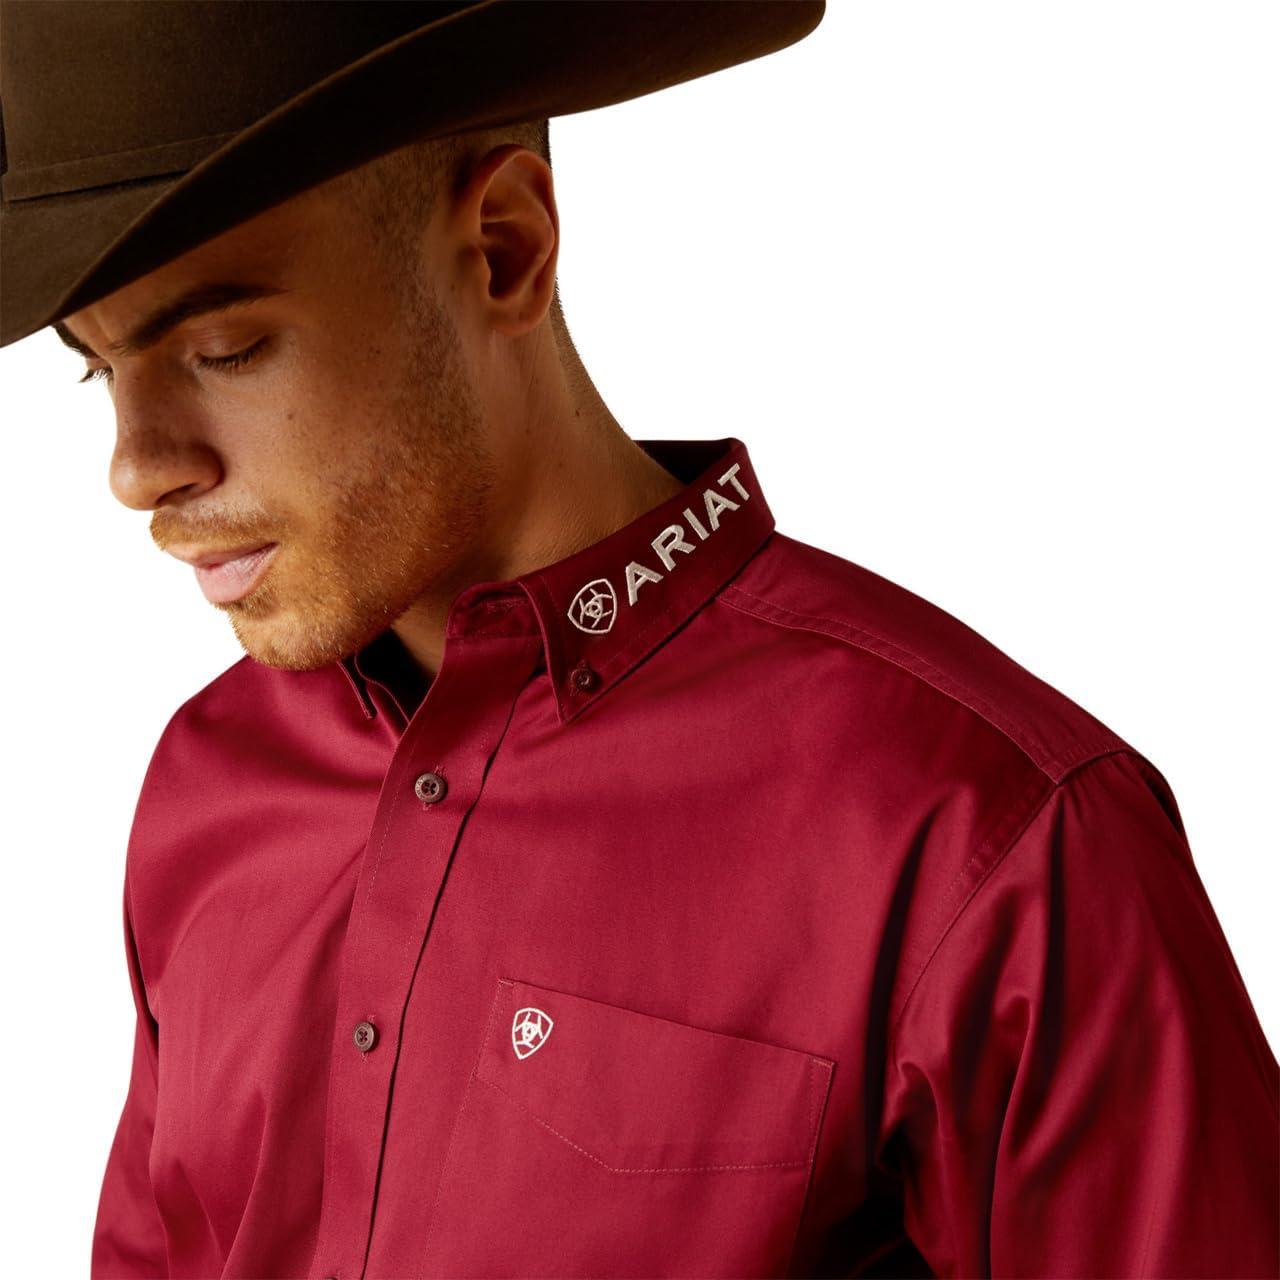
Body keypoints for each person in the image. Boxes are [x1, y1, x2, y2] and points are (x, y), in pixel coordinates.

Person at [2, 4, 1275, 1277]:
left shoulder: (986, 834)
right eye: (99, 368)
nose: (136, 467)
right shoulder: (210, 781)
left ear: (503, 251)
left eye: (223, 347)